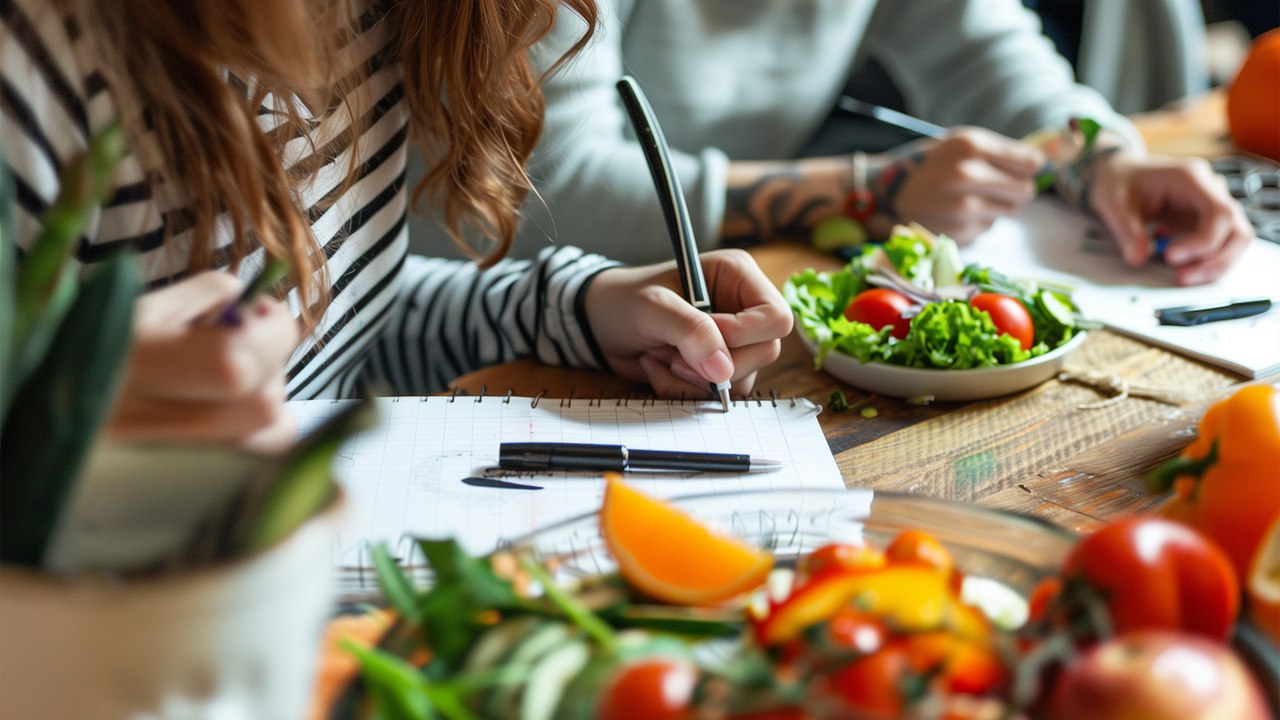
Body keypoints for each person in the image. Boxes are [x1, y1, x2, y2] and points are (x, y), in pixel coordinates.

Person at [1, 0, 792, 450]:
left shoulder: (379, 13)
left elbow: (324, 319)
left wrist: (573, 311)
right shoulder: (38, 51)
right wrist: (62, 416)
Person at [504, 0, 1253, 286]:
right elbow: (554, 192)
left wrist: (1108, 160)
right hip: (474, 321)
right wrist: (870, 190)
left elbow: (985, 57)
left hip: (702, 297)